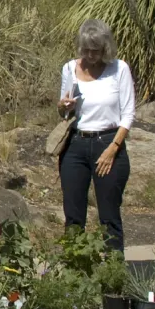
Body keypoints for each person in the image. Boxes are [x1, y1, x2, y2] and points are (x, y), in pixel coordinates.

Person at [57, 19, 136, 252]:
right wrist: (64, 105)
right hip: (76, 144)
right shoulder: (69, 68)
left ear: (105, 48)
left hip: (108, 141)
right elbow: (63, 111)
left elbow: (128, 114)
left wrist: (113, 149)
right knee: (73, 214)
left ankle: (112, 272)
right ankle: (74, 269)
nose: (91, 55)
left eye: (96, 50)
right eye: (87, 50)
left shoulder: (119, 69)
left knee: (109, 215)